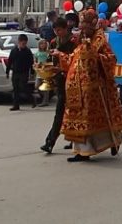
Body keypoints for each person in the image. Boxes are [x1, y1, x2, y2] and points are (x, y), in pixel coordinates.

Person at [53, 9, 122, 162]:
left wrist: (95, 56)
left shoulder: (100, 41)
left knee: (97, 120)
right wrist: (61, 56)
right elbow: (74, 59)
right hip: (78, 89)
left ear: (91, 26)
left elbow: (111, 59)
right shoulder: (81, 40)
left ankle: (113, 142)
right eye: (81, 27)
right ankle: (82, 151)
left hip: (97, 90)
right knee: (81, 120)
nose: (83, 30)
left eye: (85, 27)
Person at [40, 17, 77, 154]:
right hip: (60, 80)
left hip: (72, 80)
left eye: (59, 30)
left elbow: (75, 61)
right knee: (60, 112)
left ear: (66, 28)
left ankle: (69, 140)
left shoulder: (74, 41)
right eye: (55, 30)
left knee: (72, 112)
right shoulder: (54, 42)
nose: (57, 33)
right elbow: (51, 60)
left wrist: (62, 63)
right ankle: (52, 142)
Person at [5, 34, 35, 111]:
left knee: (23, 86)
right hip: (15, 72)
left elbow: (31, 62)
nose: (23, 45)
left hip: (24, 72)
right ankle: (16, 105)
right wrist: (7, 72)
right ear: (19, 42)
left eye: (25, 43)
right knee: (15, 89)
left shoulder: (27, 51)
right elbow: (10, 61)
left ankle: (32, 99)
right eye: (22, 43)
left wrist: (32, 72)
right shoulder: (14, 50)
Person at [32, 39, 51, 107]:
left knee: (46, 86)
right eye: (41, 44)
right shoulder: (37, 53)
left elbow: (50, 61)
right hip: (39, 71)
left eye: (44, 43)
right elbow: (35, 61)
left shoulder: (48, 53)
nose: (43, 45)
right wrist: (36, 64)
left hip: (46, 70)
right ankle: (42, 97)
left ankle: (45, 101)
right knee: (36, 86)